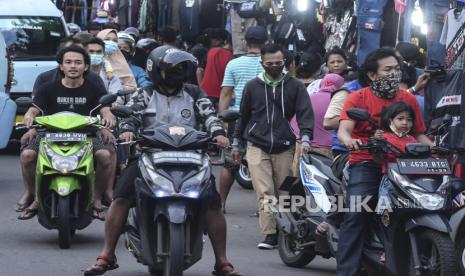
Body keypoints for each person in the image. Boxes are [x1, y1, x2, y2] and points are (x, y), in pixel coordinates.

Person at [83, 46, 241, 276]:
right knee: (121, 198)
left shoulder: (195, 93)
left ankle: (222, 262)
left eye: (181, 68)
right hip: (149, 154)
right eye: (172, 68)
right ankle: (106, 255)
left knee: (212, 202)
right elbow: (132, 115)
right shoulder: (144, 93)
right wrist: (127, 130)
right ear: (156, 70)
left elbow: (210, 116)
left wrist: (218, 133)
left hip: (191, 157)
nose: (178, 72)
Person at [336, 47, 433, 276]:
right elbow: (343, 131)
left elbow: (419, 133)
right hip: (366, 161)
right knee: (357, 214)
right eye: (388, 69)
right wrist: (351, 141)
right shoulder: (357, 98)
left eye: (397, 69)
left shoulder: (407, 98)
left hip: (401, 163)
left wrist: (436, 149)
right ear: (372, 75)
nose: (394, 74)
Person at [18, 45, 116, 220]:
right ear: (61, 66)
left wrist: (107, 117)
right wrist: (29, 116)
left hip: (87, 135)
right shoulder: (47, 88)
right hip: (48, 135)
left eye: (78, 63)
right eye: (68, 62)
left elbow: (105, 108)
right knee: (27, 156)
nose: (73, 66)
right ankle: (34, 196)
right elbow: (34, 109)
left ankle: (96, 198)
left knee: (104, 156)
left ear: (85, 67)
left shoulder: (94, 87)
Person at [232, 44, 314, 249]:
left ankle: (286, 232)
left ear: (284, 62)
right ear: (262, 63)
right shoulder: (252, 86)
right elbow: (243, 116)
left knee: (284, 192)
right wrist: (236, 143)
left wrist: (305, 139)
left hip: (285, 146)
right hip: (256, 146)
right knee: (265, 191)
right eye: (270, 63)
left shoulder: (295, 86)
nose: (275, 66)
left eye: (279, 63)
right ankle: (270, 233)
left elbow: (305, 114)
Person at [217, 26, 267, 213]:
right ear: (266, 43)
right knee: (262, 164)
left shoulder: (233, 64)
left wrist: (222, 122)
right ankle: (263, 209)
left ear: (245, 43)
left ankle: (221, 204)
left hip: (237, 118)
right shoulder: (272, 63)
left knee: (231, 162)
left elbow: (225, 94)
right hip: (264, 119)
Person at [290, 73, 345, 176]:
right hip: (327, 150)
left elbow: (294, 124)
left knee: (299, 182)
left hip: (303, 145)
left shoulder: (308, 98)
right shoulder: (339, 102)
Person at [373, 102, 419, 173]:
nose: (405, 122)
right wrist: (377, 142)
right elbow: (378, 160)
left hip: (410, 176)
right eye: (400, 119)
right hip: (390, 177)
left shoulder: (412, 140)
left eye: (409, 120)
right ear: (390, 120)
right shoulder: (383, 137)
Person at [200, 31, 233, 109]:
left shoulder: (212, 51)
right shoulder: (232, 57)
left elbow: (199, 71)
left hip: (205, 92)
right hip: (220, 95)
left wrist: (200, 88)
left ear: (225, 41)